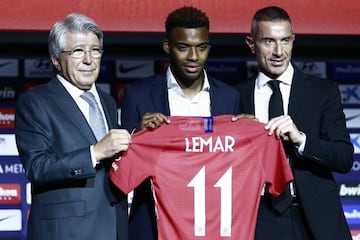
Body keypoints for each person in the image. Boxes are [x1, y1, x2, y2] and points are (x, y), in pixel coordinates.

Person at [119, 6, 241, 240]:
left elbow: (238, 167)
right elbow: (122, 175)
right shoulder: (138, 95)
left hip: (214, 226)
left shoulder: (229, 97)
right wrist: (137, 138)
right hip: (153, 227)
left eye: (201, 47)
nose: (194, 57)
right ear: (168, 47)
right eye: (184, 47)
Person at [236, 6, 353, 240]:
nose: (279, 51)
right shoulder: (233, 96)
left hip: (315, 220)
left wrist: (302, 141)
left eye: (285, 41)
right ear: (251, 43)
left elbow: (344, 158)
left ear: (293, 40)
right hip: (256, 217)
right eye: (269, 41)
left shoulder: (323, 92)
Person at [15, 13, 131, 240]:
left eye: (95, 50)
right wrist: (95, 153)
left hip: (114, 228)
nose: (88, 59)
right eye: (78, 51)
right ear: (56, 60)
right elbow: (36, 167)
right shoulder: (35, 102)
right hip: (67, 232)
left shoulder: (107, 100)